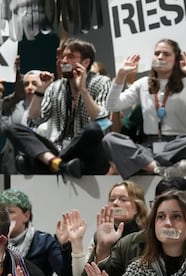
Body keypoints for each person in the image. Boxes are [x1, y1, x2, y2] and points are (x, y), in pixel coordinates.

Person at [103, 38, 186, 179]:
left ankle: (145, 165)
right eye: (157, 53)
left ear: (176, 59)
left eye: (166, 54)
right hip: (149, 148)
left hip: (178, 147)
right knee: (109, 139)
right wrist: (120, 76)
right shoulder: (142, 84)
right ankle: (158, 168)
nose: (160, 57)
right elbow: (112, 106)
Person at [7, 39, 111, 178]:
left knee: (93, 129)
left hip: (87, 154)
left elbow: (102, 121)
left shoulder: (102, 82)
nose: (64, 60)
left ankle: (56, 164)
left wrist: (83, 91)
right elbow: (35, 120)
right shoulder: (55, 86)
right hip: (57, 149)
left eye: (70, 56)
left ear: (85, 62)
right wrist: (40, 91)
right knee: (12, 128)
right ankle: (61, 165)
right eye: (63, 56)